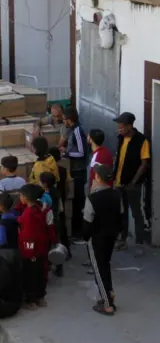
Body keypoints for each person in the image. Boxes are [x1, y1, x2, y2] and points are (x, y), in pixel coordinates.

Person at [83, 164, 122, 316]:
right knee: (105, 265)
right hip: (111, 236)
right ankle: (109, 294)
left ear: (97, 178)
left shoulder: (92, 198)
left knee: (98, 270)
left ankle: (107, 304)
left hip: (96, 238)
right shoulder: (116, 194)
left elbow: (87, 222)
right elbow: (121, 217)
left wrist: (86, 238)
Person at [113, 112, 150, 254]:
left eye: (121, 127)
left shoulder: (142, 141)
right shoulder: (121, 138)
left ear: (129, 126)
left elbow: (144, 163)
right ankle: (122, 240)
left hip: (133, 185)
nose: (119, 129)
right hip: (119, 182)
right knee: (121, 213)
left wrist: (134, 182)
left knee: (136, 213)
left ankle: (139, 243)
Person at [18, 184, 50, 309]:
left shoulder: (28, 215)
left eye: (20, 195)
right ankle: (40, 297)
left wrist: (30, 253)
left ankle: (31, 300)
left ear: (25, 198)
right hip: (41, 248)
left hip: (30, 251)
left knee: (30, 276)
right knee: (40, 274)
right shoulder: (39, 209)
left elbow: (28, 236)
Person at [62, 106, 89, 239]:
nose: (63, 121)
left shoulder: (78, 131)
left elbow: (82, 152)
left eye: (64, 119)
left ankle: (80, 232)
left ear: (69, 119)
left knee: (78, 201)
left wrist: (66, 153)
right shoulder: (72, 130)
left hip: (78, 171)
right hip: (74, 170)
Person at [39, 171, 62, 278]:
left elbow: (43, 210)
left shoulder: (45, 196)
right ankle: (59, 267)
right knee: (56, 244)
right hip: (57, 221)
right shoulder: (57, 192)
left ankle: (47, 265)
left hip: (48, 223)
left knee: (48, 245)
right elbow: (61, 208)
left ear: (44, 184)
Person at [0, 193, 19, 262]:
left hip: (6, 252)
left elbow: (2, 241)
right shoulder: (15, 216)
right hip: (17, 249)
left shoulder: (3, 223)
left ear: (1, 206)